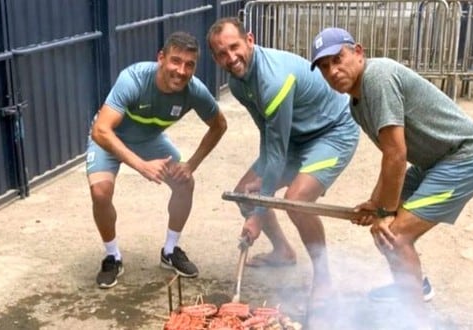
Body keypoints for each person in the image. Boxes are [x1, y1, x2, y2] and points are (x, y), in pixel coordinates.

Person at [311, 27, 473, 325]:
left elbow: (397, 155)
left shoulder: (378, 77)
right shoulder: (356, 105)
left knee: (394, 234)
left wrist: (386, 211)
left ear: (358, 52)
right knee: (382, 231)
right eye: (324, 67)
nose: (332, 71)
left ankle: (415, 320)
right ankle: (411, 285)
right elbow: (391, 157)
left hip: (466, 157)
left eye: (338, 59)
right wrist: (375, 204)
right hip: (434, 163)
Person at [207, 17, 360, 306]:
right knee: (245, 194)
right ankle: (283, 251)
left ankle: (324, 278)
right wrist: (258, 194)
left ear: (249, 40)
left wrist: (258, 215)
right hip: (293, 137)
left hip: (332, 131)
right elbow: (268, 136)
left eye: (235, 47)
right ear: (215, 58)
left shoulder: (273, 79)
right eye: (222, 53)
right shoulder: (238, 84)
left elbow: (276, 153)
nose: (231, 57)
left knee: (296, 200)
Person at [86, 31, 227, 288]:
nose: (181, 71)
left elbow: (219, 125)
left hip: (148, 138)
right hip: (111, 137)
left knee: (185, 182)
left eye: (189, 65)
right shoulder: (134, 79)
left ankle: (170, 251)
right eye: (175, 61)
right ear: (161, 58)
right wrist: (141, 166)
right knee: (100, 192)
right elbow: (101, 131)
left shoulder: (195, 91)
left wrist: (191, 164)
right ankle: (112, 256)